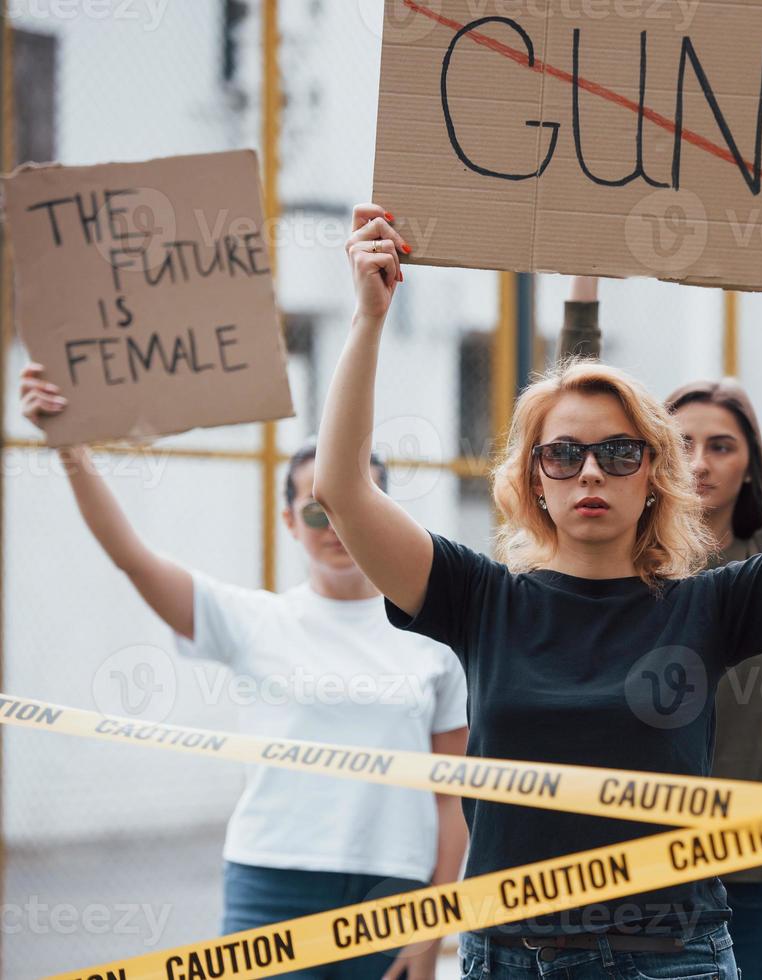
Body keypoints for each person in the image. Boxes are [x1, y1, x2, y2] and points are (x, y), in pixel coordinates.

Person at [312, 204, 762, 980]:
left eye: (619, 452)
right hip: (510, 959)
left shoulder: (711, 605)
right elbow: (342, 490)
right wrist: (366, 316)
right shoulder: (479, 599)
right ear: (533, 479)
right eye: (562, 454)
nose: (589, 471)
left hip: (673, 960)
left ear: (655, 478)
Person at [17, 381, 470, 980]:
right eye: (315, 509)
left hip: (394, 894)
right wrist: (69, 448)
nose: (333, 525)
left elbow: (452, 796)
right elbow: (132, 557)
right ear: (288, 520)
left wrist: (430, 927)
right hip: (270, 882)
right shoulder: (254, 620)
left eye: (351, 504)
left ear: (384, 513)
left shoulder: (435, 637)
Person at [556, 277, 762, 979]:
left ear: (748, 466)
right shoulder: (620, 564)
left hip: (747, 864)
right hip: (634, 868)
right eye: (680, 442)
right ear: (651, 459)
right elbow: (575, 420)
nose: (700, 461)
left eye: (721, 445)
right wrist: (582, 289)